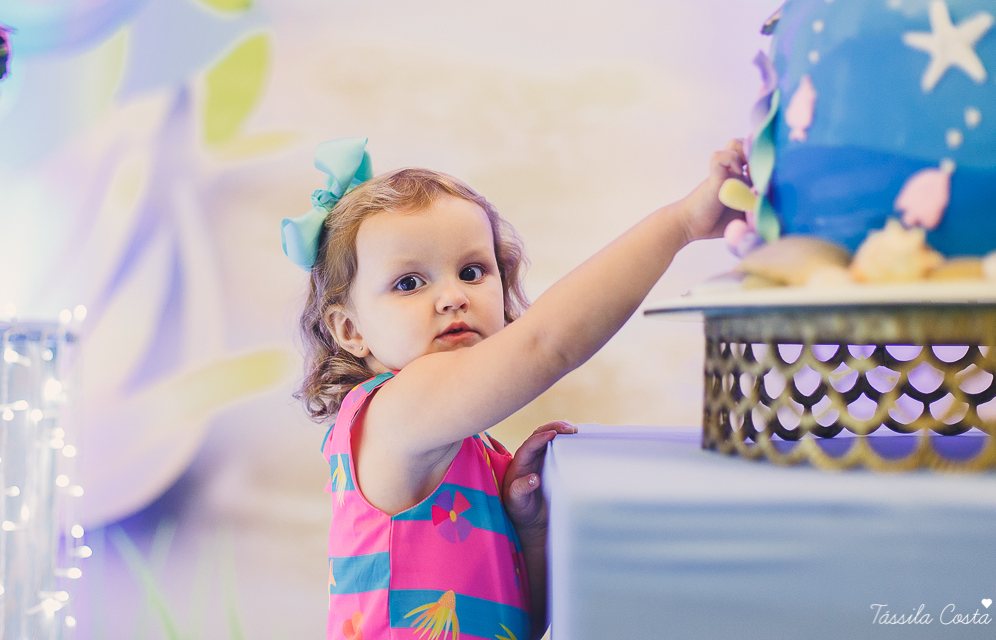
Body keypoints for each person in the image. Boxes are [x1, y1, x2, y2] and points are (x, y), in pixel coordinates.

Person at [283, 136, 746, 640]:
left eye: (473, 271)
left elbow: (524, 623)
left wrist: (529, 530)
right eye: (409, 283)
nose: (453, 297)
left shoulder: (466, 448)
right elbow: (545, 345)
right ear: (350, 329)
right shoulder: (394, 412)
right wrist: (679, 224)